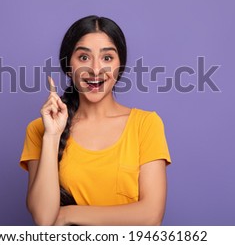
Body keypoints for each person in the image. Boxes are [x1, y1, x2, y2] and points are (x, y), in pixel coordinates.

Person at [19, 15, 171, 225]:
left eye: (107, 58)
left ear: (120, 65)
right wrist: (52, 136)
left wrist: (68, 214)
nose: (96, 69)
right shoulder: (40, 130)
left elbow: (151, 216)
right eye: (84, 57)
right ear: (68, 65)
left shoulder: (146, 125)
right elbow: (44, 220)